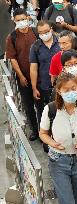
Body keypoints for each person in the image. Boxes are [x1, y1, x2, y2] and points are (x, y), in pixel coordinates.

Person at [39, 72, 77, 204]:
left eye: (73, 89)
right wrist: (53, 143)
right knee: (67, 201)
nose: (71, 92)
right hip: (58, 161)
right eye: (66, 90)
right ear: (59, 91)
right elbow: (42, 133)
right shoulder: (50, 109)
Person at [5, 8, 39, 141]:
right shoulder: (12, 37)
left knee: (41, 105)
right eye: (18, 20)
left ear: (28, 18)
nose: (21, 22)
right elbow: (12, 58)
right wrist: (20, 76)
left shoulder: (36, 32)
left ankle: (44, 131)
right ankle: (35, 130)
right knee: (28, 105)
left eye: (23, 19)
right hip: (24, 77)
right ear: (14, 21)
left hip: (40, 77)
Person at [30, 20, 60, 128]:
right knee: (44, 113)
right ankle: (44, 136)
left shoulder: (61, 42)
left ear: (51, 29)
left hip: (61, 85)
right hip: (44, 85)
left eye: (46, 31)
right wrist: (34, 88)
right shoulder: (35, 46)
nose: (44, 34)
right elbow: (33, 68)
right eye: (41, 33)